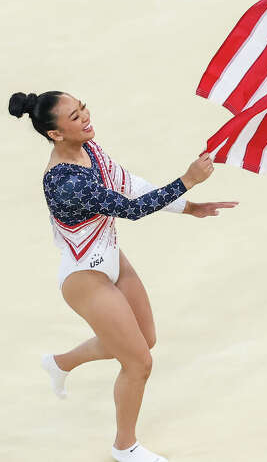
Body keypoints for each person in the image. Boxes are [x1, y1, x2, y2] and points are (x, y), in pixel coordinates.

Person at [9, 91, 238, 462]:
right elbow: (130, 209)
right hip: (84, 276)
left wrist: (188, 207)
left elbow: (130, 185)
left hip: (112, 257)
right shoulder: (65, 183)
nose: (85, 116)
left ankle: (60, 362)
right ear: (55, 134)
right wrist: (186, 182)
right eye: (74, 116)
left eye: (82, 107)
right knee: (138, 363)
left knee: (144, 340)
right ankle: (125, 446)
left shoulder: (90, 148)